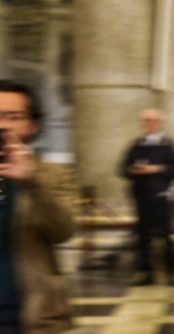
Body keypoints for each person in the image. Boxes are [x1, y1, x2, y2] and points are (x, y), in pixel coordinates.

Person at [0, 80, 76, 333]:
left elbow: (63, 230)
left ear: (32, 125)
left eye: (13, 116)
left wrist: (32, 183)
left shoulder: (52, 175)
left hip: (33, 314)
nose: (2, 124)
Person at [120, 109, 174, 286]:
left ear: (160, 123)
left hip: (161, 198)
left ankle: (171, 273)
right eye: (145, 121)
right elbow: (123, 168)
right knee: (143, 237)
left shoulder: (168, 145)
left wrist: (156, 169)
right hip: (141, 197)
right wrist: (133, 170)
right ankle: (145, 272)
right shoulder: (136, 145)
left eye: (152, 121)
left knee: (165, 236)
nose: (148, 124)